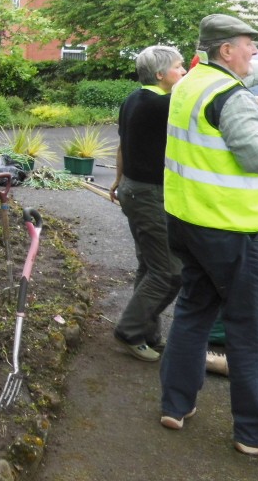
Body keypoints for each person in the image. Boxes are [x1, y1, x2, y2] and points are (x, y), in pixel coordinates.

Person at [159, 14, 258, 459]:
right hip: (232, 229)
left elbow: (244, 76)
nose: (255, 52)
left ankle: (175, 404)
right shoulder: (233, 99)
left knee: (193, 311)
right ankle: (257, 433)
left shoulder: (191, 81)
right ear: (227, 50)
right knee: (255, 328)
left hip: (188, 219)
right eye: (250, 44)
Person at [110, 46, 187, 362]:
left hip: (133, 190)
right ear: (160, 74)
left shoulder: (133, 99)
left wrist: (117, 181)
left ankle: (147, 333)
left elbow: (122, 146)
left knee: (150, 265)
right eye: (179, 67)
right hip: (149, 196)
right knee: (170, 272)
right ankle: (129, 330)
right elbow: (218, 105)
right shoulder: (162, 104)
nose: (184, 73)